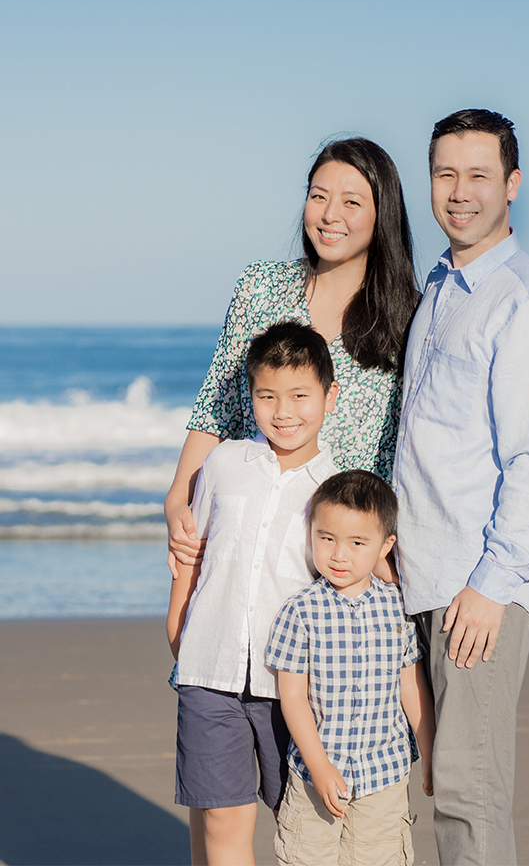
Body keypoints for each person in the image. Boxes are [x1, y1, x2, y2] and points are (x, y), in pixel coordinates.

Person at [391, 109, 529, 865]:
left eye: (477, 176)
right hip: (415, 576)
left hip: (473, 589)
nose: (458, 192)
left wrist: (492, 585)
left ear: (513, 185)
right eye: (444, 174)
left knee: (468, 793)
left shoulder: (527, 300)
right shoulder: (439, 286)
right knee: (419, 781)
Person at [164, 137, 419, 573]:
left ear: (383, 215)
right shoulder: (259, 287)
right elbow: (218, 404)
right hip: (249, 541)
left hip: (344, 561)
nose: (329, 214)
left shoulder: (409, 317)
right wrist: (177, 500)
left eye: (351, 202)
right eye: (318, 196)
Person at [166, 322, 339, 866]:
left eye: (299, 396)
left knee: (304, 824)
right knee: (221, 820)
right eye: (267, 396)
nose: (283, 412)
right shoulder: (223, 464)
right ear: (251, 395)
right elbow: (193, 548)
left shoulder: (335, 488)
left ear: (329, 398)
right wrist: (177, 625)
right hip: (210, 671)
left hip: (293, 686)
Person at [267, 469, 435, 866]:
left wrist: (429, 752)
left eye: (357, 542)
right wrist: (319, 766)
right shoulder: (300, 610)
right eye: (326, 539)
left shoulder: (397, 607)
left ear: (384, 545)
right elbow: (292, 697)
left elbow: (411, 688)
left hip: (385, 773)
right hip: (317, 774)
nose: (339, 555)